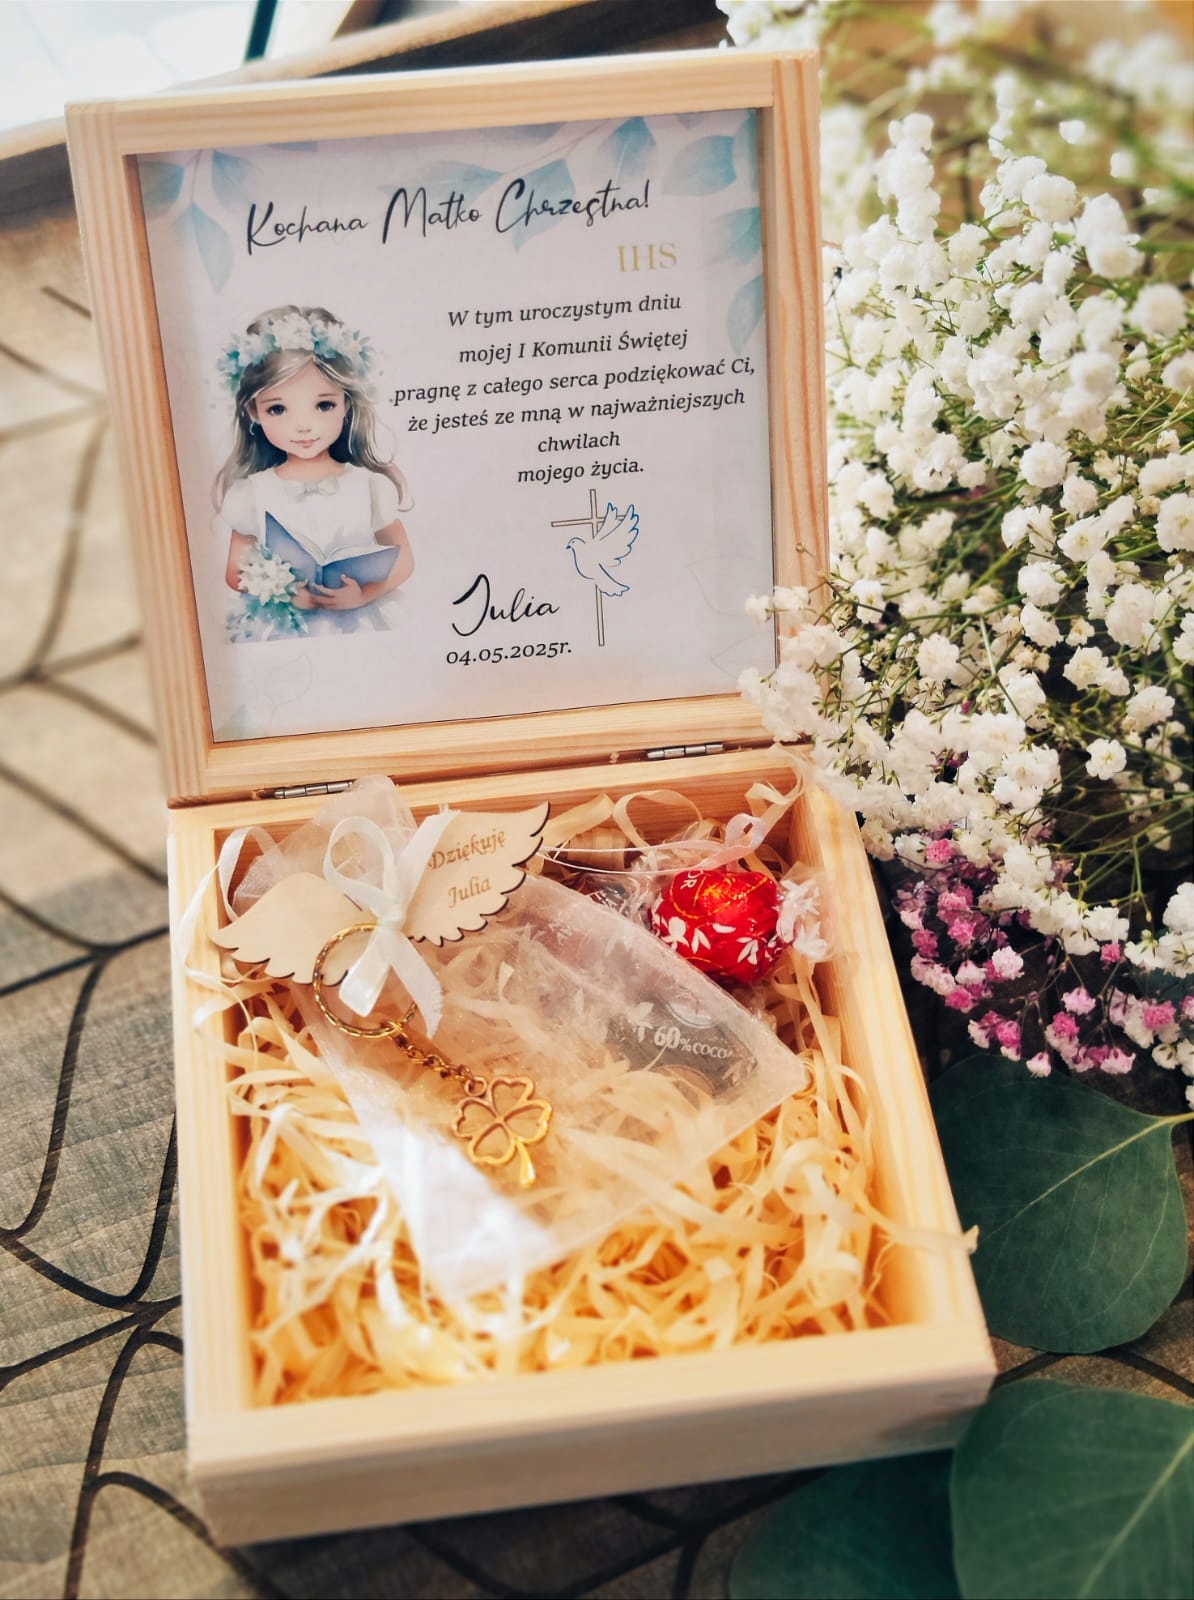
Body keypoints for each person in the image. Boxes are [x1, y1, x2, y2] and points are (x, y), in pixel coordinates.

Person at [215, 305, 413, 637]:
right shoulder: (251, 493)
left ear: (346, 403)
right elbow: (235, 571)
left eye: (323, 405)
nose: (303, 426)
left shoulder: (368, 485)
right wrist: (283, 592)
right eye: (278, 409)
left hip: (360, 621)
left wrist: (365, 594)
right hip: (283, 624)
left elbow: (404, 558)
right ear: (254, 411)